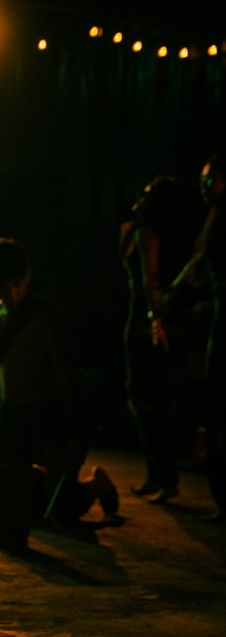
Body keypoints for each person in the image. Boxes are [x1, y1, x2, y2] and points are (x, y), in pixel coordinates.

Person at [0, 239, 118, 549]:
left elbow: (63, 377)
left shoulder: (42, 316)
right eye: (2, 287)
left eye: (15, 285)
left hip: (45, 421)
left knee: (58, 510)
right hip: (7, 420)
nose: (11, 294)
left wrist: (74, 434)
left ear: (26, 278)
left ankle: (95, 485)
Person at [119, 176, 204, 503]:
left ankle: (164, 475)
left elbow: (148, 280)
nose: (140, 195)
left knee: (144, 399)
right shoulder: (162, 233)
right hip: (162, 319)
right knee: (153, 399)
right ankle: (159, 474)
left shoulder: (146, 233)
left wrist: (155, 319)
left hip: (145, 321)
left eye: (147, 193)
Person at [170, 153, 226, 522]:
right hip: (219, 316)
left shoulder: (220, 217)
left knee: (217, 406)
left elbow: (199, 266)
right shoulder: (214, 217)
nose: (204, 187)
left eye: (210, 179)